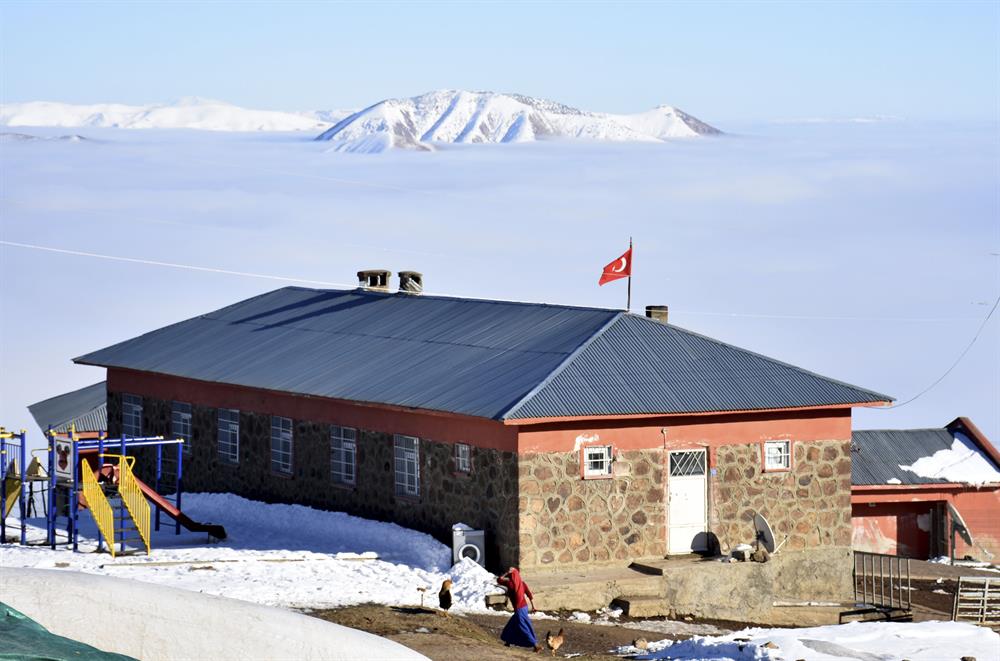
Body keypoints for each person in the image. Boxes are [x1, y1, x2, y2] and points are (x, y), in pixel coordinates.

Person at [497, 567, 540, 652]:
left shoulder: (509, 584)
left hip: (519, 610)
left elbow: (499, 580)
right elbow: (529, 595)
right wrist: (533, 607)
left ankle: (535, 645)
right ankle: (508, 642)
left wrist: (506, 573)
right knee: (512, 625)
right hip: (524, 608)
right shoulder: (522, 584)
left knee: (524, 627)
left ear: (510, 576)